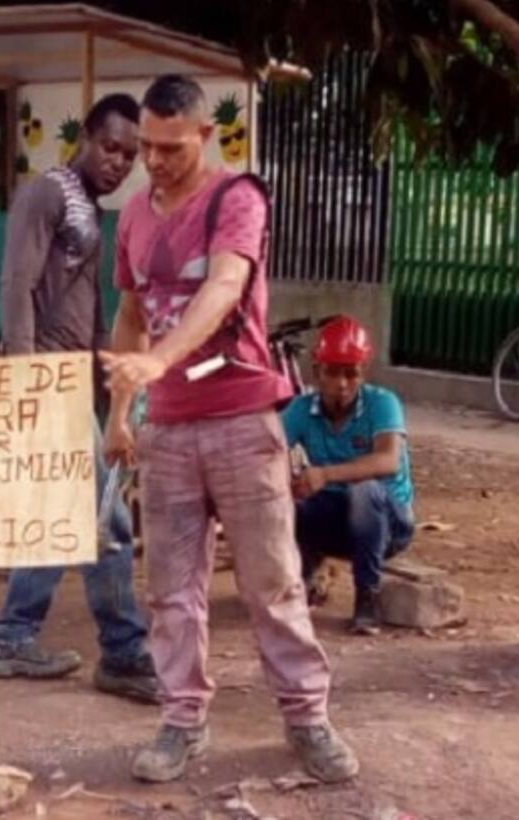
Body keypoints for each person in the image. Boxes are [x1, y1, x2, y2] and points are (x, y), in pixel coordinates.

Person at [102, 74, 357, 784]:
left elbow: (221, 289)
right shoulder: (132, 218)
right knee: (170, 589)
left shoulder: (235, 198)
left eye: (169, 147)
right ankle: (182, 720)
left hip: (243, 418)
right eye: (145, 147)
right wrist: (120, 416)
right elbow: (129, 313)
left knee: (272, 581)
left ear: (204, 136)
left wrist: (156, 360)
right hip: (169, 432)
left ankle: (308, 719)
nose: (153, 161)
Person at [0, 92, 159, 705]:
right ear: (84, 139)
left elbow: (88, 303)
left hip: (73, 382)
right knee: (106, 515)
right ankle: (122, 650)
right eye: (110, 147)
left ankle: (13, 636)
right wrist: (26, 378)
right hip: (44, 381)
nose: (119, 162)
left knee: (66, 515)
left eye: (129, 155)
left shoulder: (88, 207)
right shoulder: (48, 192)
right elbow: (15, 284)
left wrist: (110, 373)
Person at [281, 315, 415, 636]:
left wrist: (325, 474)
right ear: (317, 372)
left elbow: (388, 460)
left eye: (350, 374)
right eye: (332, 373)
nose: (341, 384)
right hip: (336, 520)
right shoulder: (301, 409)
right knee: (284, 502)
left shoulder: (383, 404)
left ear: (362, 373)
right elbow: (266, 448)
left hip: (388, 524)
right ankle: (304, 573)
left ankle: (367, 597)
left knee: (364, 491)